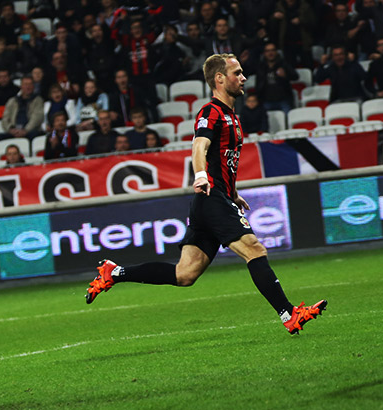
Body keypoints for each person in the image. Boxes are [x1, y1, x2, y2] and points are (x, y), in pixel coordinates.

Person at [84, 53, 327, 335]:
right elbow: (199, 146)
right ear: (219, 78)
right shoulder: (211, 112)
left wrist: (233, 193)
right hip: (211, 197)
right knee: (254, 249)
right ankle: (289, 314)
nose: (243, 78)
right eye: (237, 73)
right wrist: (200, 175)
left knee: (185, 274)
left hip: (214, 198)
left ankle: (114, 273)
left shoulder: (231, 116)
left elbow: (224, 161)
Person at [0, 75, 45, 145]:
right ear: (21, 86)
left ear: (33, 86)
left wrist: (25, 130)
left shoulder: (38, 100)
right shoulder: (12, 101)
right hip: (14, 130)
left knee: (34, 135)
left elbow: (37, 118)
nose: (28, 87)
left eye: (30, 84)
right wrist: (10, 129)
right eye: (25, 84)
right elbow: (5, 119)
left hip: (30, 131)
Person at [254, 42, 297, 114]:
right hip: (266, 100)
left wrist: (285, 75)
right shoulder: (261, 67)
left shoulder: (283, 64)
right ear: (264, 53)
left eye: (272, 50)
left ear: (276, 52)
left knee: (288, 118)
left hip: (283, 99)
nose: (270, 53)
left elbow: (295, 76)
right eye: (268, 51)